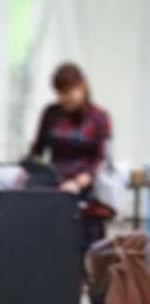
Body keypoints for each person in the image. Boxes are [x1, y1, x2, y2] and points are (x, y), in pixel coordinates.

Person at [28, 62, 114, 246]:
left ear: (82, 86)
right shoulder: (51, 113)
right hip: (53, 183)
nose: (64, 98)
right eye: (60, 93)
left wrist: (78, 183)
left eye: (68, 92)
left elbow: (100, 159)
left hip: (85, 188)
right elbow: (37, 150)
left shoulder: (99, 117)